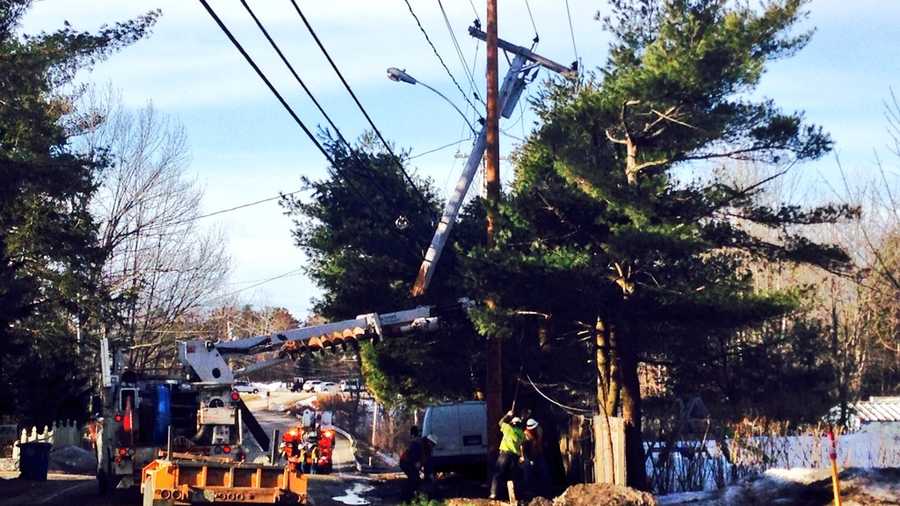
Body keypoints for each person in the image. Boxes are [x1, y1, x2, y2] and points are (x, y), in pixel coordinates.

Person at [490, 411, 525, 500]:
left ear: (512, 423)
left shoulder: (508, 428)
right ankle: (514, 496)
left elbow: (500, 422)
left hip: (505, 455)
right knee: (512, 477)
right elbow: (522, 445)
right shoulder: (522, 434)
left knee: (497, 474)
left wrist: (508, 415)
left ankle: (494, 494)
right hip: (514, 457)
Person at [399, 433, 437, 500]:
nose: (432, 446)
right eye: (432, 444)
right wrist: (416, 462)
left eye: (433, 445)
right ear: (428, 441)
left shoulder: (428, 450)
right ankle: (405, 497)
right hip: (405, 462)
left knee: (417, 479)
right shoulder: (417, 444)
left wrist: (430, 474)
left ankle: (414, 495)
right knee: (414, 479)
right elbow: (411, 456)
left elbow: (428, 463)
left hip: (413, 464)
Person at [523, 418, 550, 498]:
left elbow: (540, 441)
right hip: (529, 455)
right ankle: (530, 491)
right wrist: (528, 458)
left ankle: (545, 490)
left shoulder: (539, 430)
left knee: (544, 470)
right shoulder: (526, 434)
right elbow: (524, 447)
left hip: (539, 454)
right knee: (528, 472)